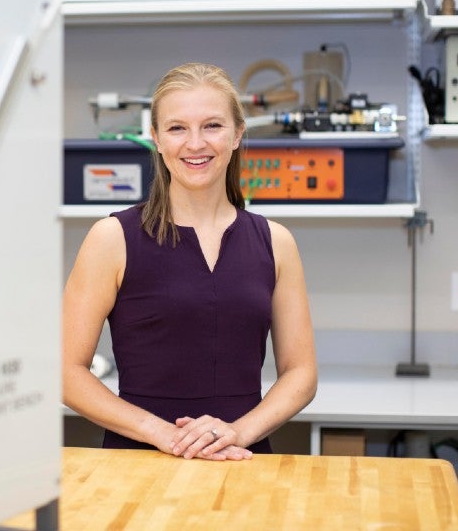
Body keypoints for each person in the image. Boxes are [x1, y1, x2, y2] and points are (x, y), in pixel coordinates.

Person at [62, 62, 317, 461]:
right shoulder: (111, 239)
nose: (195, 143)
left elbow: (301, 373)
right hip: (138, 462)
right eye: (177, 128)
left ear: (237, 135)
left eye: (212, 126)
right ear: (157, 140)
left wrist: (237, 432)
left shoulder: (276, 243)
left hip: (242, 459)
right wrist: (163, 434)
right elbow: (65, 372)